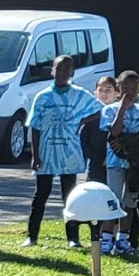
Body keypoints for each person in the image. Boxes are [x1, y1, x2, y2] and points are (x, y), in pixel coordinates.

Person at [24, 52, 89, 246]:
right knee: (41, 194)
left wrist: (80, 120)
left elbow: (98, 109)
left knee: (69, 196)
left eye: (66, 69)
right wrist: (36, 155)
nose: (61, 72)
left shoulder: (78, 94)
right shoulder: (43, 97)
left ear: (72, 73)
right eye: (58, 68)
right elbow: (35, 126)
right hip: (47, 152)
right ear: (52, 71)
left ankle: (73, 238)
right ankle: (31, 236)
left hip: (68, 153)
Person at [100, 72, 139, 254]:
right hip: (115, 163)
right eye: (126, 88)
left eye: (134, 89)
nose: (130, 92)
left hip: (135, 165)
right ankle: (106, 237)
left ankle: (123, 239)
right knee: (113, 200)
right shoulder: (109, 110)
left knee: (130, 201)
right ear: (118, 90)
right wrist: (122, 109)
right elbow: (114, 133)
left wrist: (132, 140)